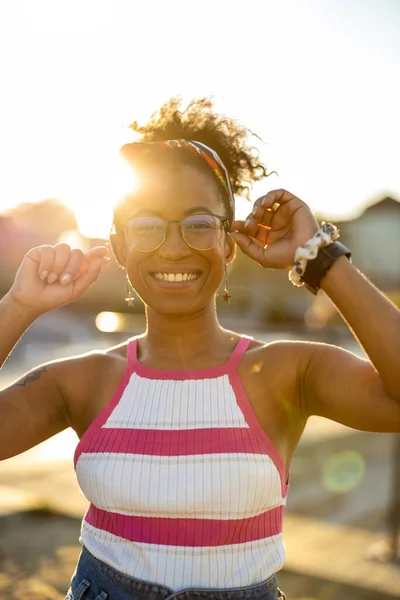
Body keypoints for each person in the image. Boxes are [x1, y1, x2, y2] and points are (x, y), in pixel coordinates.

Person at [0, 97, 399, 600]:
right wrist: (18, 305)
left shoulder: (285, 372)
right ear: (119, 247)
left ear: (230, 243)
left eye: (198, 223)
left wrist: (319, 257)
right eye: (147, 226)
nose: (173, 248)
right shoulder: (82, 381)